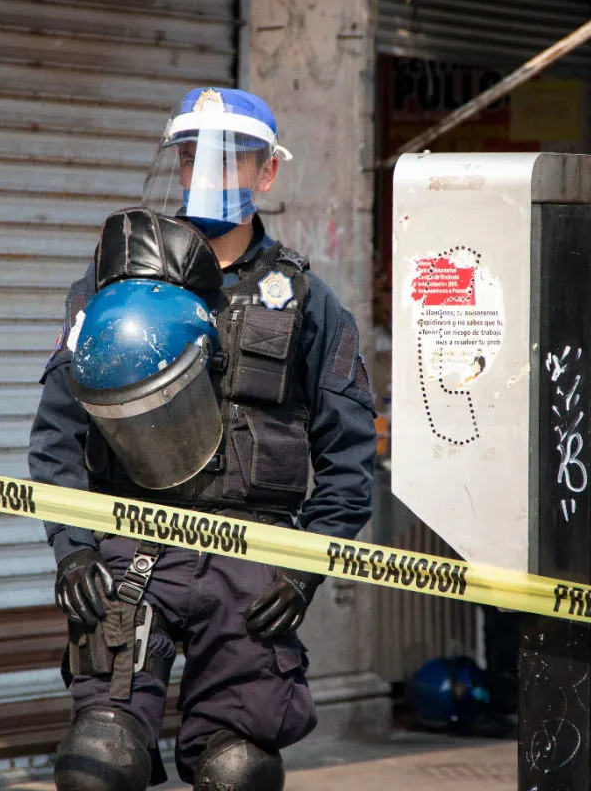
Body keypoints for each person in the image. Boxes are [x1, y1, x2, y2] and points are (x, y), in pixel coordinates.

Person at [28, 87, 377, 791]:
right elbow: (58, 434)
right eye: (194, 157)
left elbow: (349, 459)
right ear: (177, 166)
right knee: (98, 765)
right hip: (132, 550)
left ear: (267, 173)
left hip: (252, 565)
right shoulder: (113, 287)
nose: (212, 174)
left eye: (234, 159)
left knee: (238, 771)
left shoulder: (308, 302)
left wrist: (305, 566)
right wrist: (72, 551)